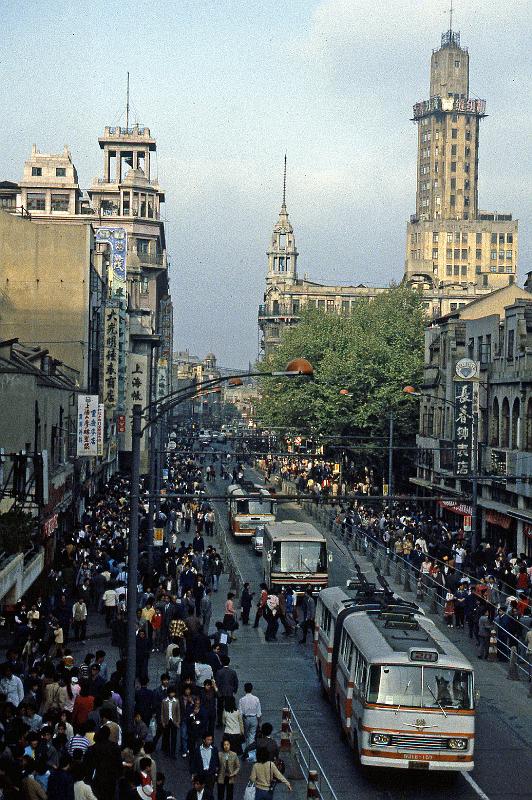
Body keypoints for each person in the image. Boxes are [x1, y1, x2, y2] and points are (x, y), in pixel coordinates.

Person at [238, 683, 261, 759]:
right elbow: (259, 713)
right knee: (252, 735)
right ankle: (251, 754)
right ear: (252, 689)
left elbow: (240, 713)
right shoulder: (256, 699)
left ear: (245, 689)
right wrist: (259, 722)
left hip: (246, 719)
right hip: (254, 718)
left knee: (246, 735)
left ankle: (245, 751)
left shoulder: (242, 700)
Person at [160, 685, 180, 758]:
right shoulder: (164, 701)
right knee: (166, 737)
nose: (172, 694)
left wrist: (178, 722)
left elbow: (178, 713)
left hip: (174, 721)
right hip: (166, 721)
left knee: (174, 738)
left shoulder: (176, 701)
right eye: (171, 693)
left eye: (173, 693)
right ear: (168, 693)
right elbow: (162, 713)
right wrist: (162, 722)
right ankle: (167, 751)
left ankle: (173, 753)